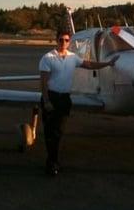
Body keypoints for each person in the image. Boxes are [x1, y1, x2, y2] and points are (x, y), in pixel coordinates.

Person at [39, 30, 119, 176]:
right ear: (56, 41)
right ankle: (52, 164)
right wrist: (46, 101)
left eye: (66, 40)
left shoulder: (72, 57)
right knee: (51, 132)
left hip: (64, 99)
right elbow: (43, 82)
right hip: (52, 97)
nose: (63, 43)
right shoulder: (47, 58)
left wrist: (108, 63)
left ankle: (53, 161)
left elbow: (88, 64)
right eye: (61, 40)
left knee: (59, 131)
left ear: (69, 42)